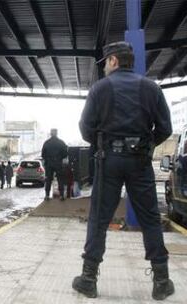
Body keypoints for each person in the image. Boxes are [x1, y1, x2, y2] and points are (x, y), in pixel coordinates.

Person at [73, 41, 174, 300]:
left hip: (109, 161)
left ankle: (88, 278)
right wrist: (145, 144)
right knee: (150, 218)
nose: (105, 67)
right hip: (140, 161)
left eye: (106, 62)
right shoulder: (152, 89)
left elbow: (85, 128)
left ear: (114, 61)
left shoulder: (100, 89)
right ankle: (161, 280)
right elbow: (164, 128)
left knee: (99, 218)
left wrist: (102, 142)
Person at [41, 129, 68, 201]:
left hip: (49, 164)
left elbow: (43, 154)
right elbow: (65, 153)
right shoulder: (61, 142)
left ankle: (47, 195)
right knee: (60, 179)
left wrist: (48, 159)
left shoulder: (46, 143)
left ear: (50, 134)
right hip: (58, 163)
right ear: (57, 133)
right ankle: (61, 195)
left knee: (48, 180)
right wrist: (59, 158)